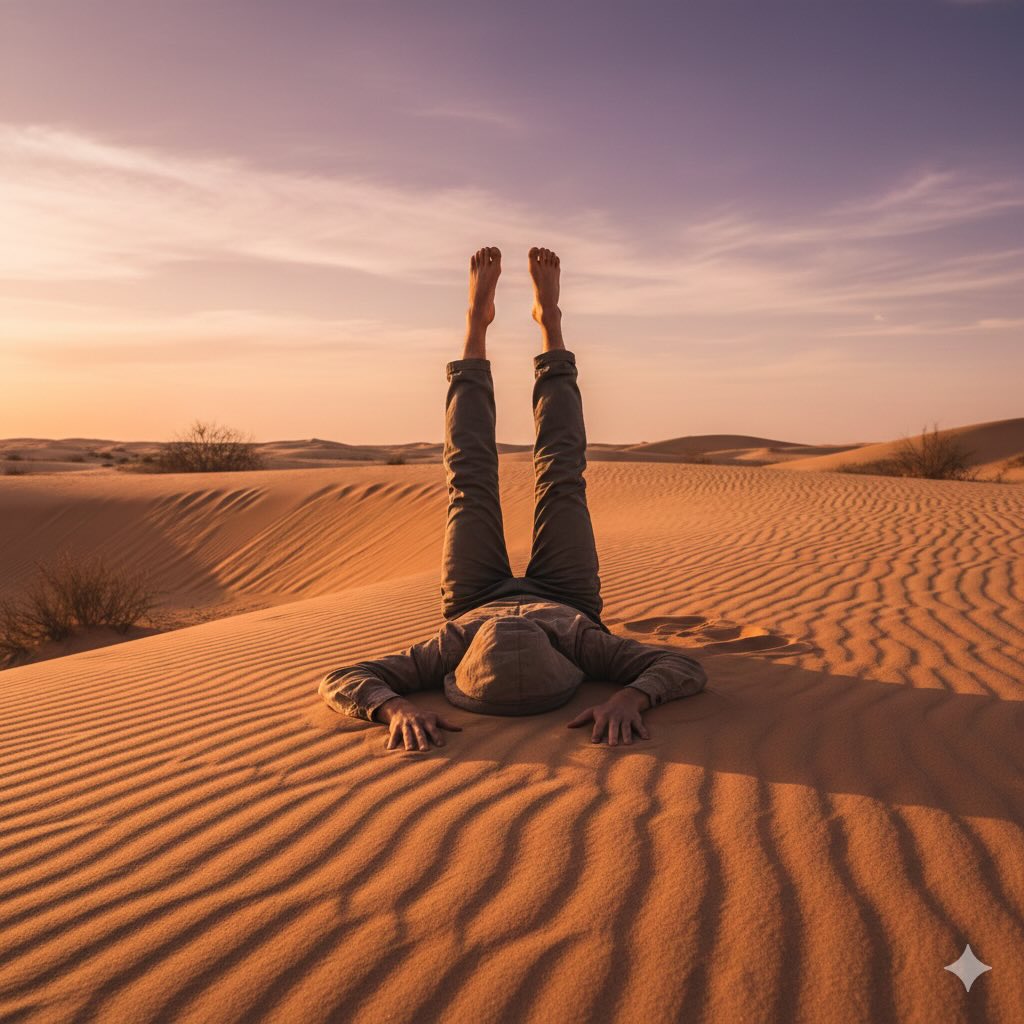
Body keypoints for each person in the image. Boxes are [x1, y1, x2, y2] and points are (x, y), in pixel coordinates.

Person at [319, 246, 707, 751]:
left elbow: (341, 678)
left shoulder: (450, 645)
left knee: (470, 482)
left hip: (474, 599)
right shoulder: (584, 642)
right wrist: (631, 698)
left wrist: (393, 704)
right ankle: (551, 326)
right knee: (562, 475)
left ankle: (475, 329)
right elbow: (682, 666)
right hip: (567, 599)